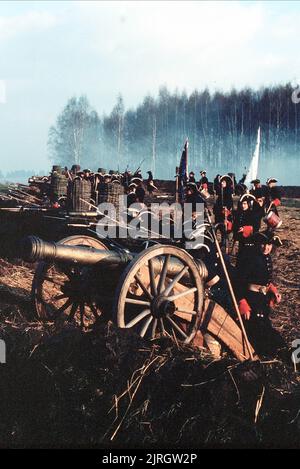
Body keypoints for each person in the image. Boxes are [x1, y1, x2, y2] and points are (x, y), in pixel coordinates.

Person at [236, 231, 286, 357]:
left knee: (265, 325)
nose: (266, 247)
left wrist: (273, 290)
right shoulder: (250, 259)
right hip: (251, 299)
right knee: (258, 328)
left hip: (262, 299)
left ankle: (280, 350)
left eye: (269, 245)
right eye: (263, 244)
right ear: (258, 244)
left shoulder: (267, 258)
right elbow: (238, 282)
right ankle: (268, 352)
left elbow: (266, 280)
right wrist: (242, 301)